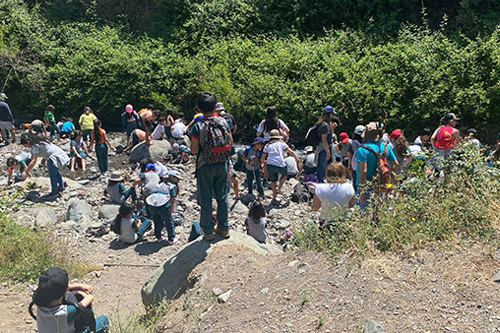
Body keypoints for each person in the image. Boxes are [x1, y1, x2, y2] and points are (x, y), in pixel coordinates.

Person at [189, 92, 233, 240]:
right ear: (215, 107)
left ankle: (207, 231)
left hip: (205, 164)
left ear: (198, 108)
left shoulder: (198, 125)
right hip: (222, 162)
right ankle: (224, 227)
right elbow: (230, 142)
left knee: (206, 197)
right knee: (222, 195)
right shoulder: (223, 122)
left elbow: (194, 150)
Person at [31, 267, 109, 333]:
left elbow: (58, 290)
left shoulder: (39, 301)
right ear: (66, 289)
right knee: (103, 320)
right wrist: (84, 293)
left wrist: (78, 286)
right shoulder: (65, 313)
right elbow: (88, 299)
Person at [356, 122, 398, 209]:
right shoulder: (385, 147)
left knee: (365, 214)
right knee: (379, 211)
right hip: (380, 184)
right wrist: (392, 181)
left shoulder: (362, 150)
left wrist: (361, 191)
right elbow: (395, 164)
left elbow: (364, 171)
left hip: (367, 185)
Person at [260, 129, 299, 204]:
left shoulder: (267, 145)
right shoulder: (282, 144)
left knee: (273, 181)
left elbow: (262, 158)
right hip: (280, 164)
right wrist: (296, 159)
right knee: (285, 173)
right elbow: (291, 151)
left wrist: (266, 162)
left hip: (270, 165)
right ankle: (279, 188)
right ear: (278, 137)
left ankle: (274, 198)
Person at [314, 105, 336, 183]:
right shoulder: (325, 125)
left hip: (323, 147)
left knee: (323, 165)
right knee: (321, 166)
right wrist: (327, 151)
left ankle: (322, 180)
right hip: (323, 148)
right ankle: (320, 182)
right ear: (329, 114)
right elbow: (324, 140)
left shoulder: (321, 123)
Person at [347, 125, 364, 191]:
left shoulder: (352, 143)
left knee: (355, 179)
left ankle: (356, 194)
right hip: (363, 162)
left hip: (354, 164)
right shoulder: (366, 143)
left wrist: (349, 165)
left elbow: (349, 154)